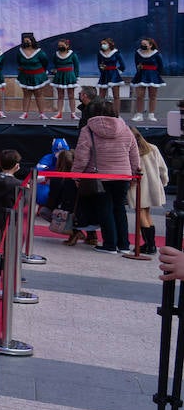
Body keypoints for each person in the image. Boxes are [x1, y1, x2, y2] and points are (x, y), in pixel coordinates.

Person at [73, 98, 139, 254]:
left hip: (99, 176)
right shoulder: (126, 128)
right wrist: (135, 172)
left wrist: (75, 174)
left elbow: (82, 156)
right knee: (120, 210)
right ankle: (124, 245)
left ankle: (109, 244)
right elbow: (134, 153)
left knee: (105, 209)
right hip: (123, 176)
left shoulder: (87, 130)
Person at [129, 127, 167, 255]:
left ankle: (149, 245)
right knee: (147, 214)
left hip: (138, 187)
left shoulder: (131, 151)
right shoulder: (152, 148)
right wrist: (164, 181)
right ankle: (151, 244)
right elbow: (163, 168)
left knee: (141, 215)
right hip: (153, 186)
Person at [15, 32, 52, 119]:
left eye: (28, 40)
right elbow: (19, 62)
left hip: (38, 76)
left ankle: (42, 113)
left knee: (39, 94)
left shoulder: (39, 52)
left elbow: (45, 62)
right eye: (24, 41)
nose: (26, 42)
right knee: (26, 95)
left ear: (32, 41)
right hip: (25, 76)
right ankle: (25, 113)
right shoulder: (20, 52)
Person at [131, 37, 165, 122]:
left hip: (153, 76)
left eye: (145, 45)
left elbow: (160, 67)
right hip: (141, 75)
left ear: (150, 45)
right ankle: (139, 115)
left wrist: (156, 75)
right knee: (139, 96)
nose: (142, 46)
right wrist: (140, 70)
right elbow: (136, 64)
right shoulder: (138, 53)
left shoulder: (157, 54)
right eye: (141, 44)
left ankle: (151, 115)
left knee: (152, 96)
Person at [50, 38, 80, 120]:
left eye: (62, 45)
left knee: (71, 95)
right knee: (60, 96)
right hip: (59, 76)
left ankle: (73, 114)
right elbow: (55, 65)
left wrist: (76, 76)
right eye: (59, 45)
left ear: (67, 46)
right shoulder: (56, 54)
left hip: (70, 76)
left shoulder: (73, 54)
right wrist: (55, 70)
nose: (60, 47)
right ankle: (59, 113)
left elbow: (76, 67)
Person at [97, 37, 125, 113]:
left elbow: (123, 65)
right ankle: (100, 112)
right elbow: (99, 64)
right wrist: (102, 70)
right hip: (104, 74)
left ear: (110, 44)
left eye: (104, 43)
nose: (103, 45)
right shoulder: (100, 53)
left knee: (116, 95)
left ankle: (116, 113)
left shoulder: (116, 53)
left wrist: (117, 72)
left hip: (114, 74)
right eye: (102, 44)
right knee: (101, 96)